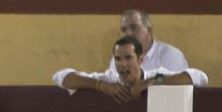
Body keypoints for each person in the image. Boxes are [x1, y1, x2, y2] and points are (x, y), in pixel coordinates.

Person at [53, 36, 208, 102]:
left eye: (128, 58)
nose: (123, 64)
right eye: (118, 59)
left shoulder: (155, 76)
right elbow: (61, 77)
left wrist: (154, 82)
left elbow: (201, 77)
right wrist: (99, 85)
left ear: (140, 60)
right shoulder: (109, 79)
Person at [106, 9, 187, 75]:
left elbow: (180, 88)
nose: (128, 34)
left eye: (134, 28)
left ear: (149, 31)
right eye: (124, 30)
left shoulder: (171, 56)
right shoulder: (119, 57)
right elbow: (110, 80)